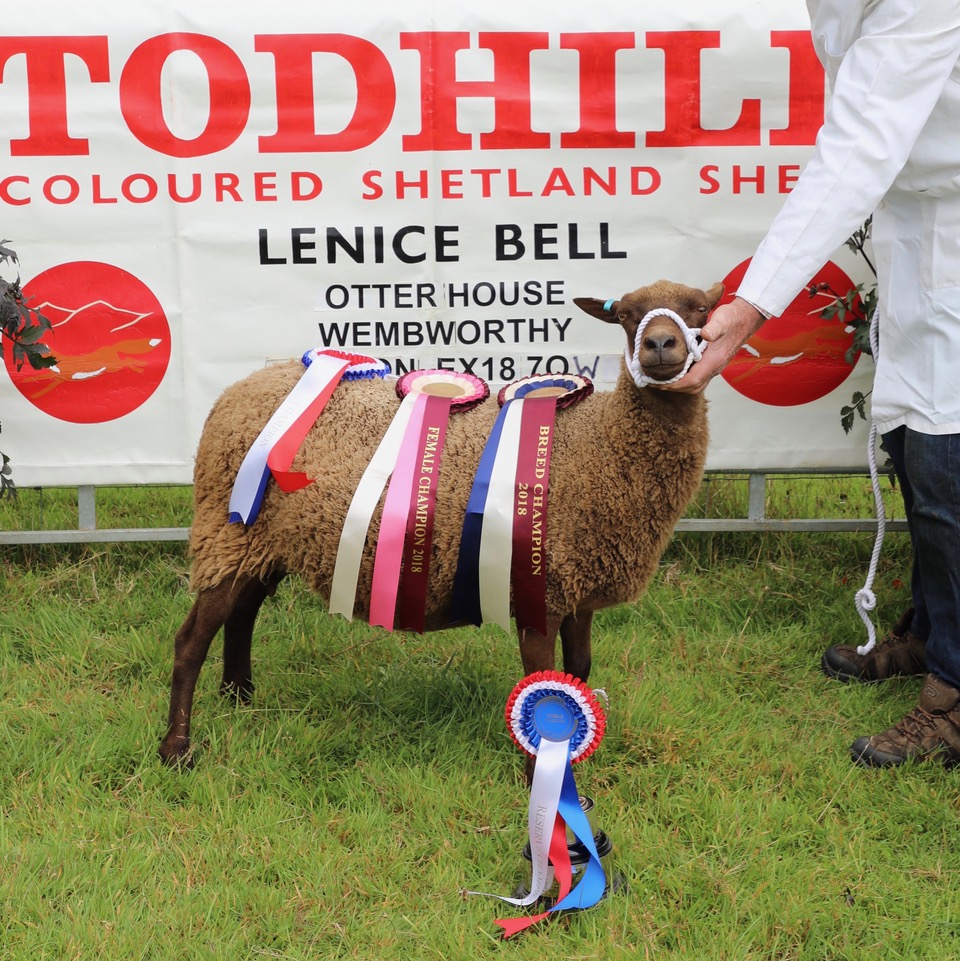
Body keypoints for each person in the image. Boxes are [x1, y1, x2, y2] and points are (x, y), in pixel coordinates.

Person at [666, 0, 960, 768]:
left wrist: (748, 310)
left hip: (954, 214)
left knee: (944, 455)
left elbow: (860, 142)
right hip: (918, 216)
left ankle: (955, 695)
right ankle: (932, 633)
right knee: (905, 431)